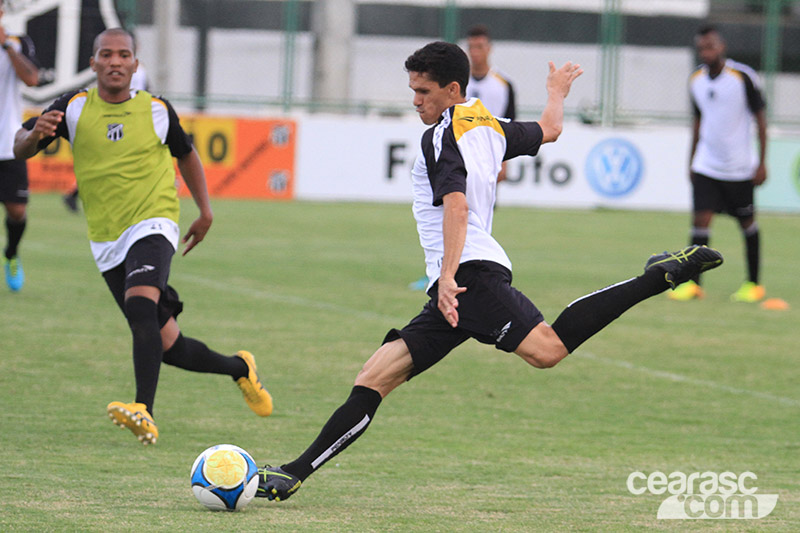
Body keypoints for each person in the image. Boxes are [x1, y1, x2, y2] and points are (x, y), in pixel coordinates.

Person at [254, 41, 724, 502]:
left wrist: (446, 278)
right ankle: (293, 474)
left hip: (468, 275)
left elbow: (455, 208)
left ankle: (654, 277)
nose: (415, 100)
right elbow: (549, 130)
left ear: (453, 89)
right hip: (463, 277)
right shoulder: (488, 124)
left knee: (548, 350)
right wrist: (556, 91)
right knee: (374, 377)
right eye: (413, 90)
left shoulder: (440, 135)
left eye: (424, 92)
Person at [14, 28, 273, 445]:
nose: (115, 61)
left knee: (140, 306)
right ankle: (240, 368)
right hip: (105, 238)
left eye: (124, 55)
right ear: (94, 63)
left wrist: (205, 211)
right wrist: (34, 134)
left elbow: (186, 154)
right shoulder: (73, 108)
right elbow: (21, 145)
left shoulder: (156, 110)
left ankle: (144, 410)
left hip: (154, 221)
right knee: (171, 346)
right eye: (106, 54)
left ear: (136, 64)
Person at [408, 25, 516, 292]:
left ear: (489, 49)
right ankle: (442, 269)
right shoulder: (443, 127)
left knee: (468, 213)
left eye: (480, 47)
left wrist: (502, 162)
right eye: (472, 47)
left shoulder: (502, 85)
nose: (476, 52)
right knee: (442, 209)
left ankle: (452, 271)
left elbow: (506, 125)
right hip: (458, 153)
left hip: (482, 156)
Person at [670, 25, 767, 303]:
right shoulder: (696, 81)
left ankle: (753, 284)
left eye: (710, 46)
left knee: (747, 222)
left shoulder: (743, 77)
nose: (706, 52)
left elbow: (761, 119)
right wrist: (691, 160)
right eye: (701, 48)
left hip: (739, 168)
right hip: (707, 165)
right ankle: (693, 284)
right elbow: (698, 121)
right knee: (701, 221)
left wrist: (761, 162)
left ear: (721, 47)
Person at [63, 35, 150, 213]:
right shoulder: (129, 70)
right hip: (119, 118)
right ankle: (75, 193)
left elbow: (146, 93)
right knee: (109, 161)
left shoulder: (140, 70)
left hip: (134, 116)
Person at [0, 0, 39, 291]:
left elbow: (32, 78)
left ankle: (11, 254)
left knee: (16, 211)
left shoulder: (17, 42)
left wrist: (7, 47)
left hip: (7, 144)